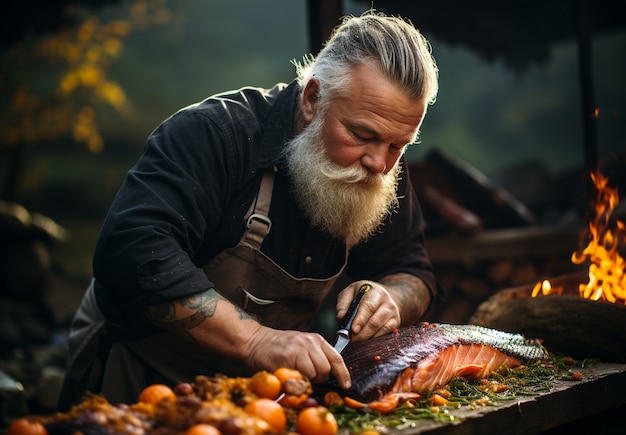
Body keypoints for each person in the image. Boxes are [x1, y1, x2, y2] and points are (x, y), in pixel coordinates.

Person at [58, 10, 440, 410]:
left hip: (260, 398)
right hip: (139, 374)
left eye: (399, 145)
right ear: (312, 99)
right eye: (362, 135)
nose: (380, 164)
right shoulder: (214, 134)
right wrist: (256, 340)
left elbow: (412, 269)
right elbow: (131, 251)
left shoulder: (377, 164)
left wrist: (390, 297)